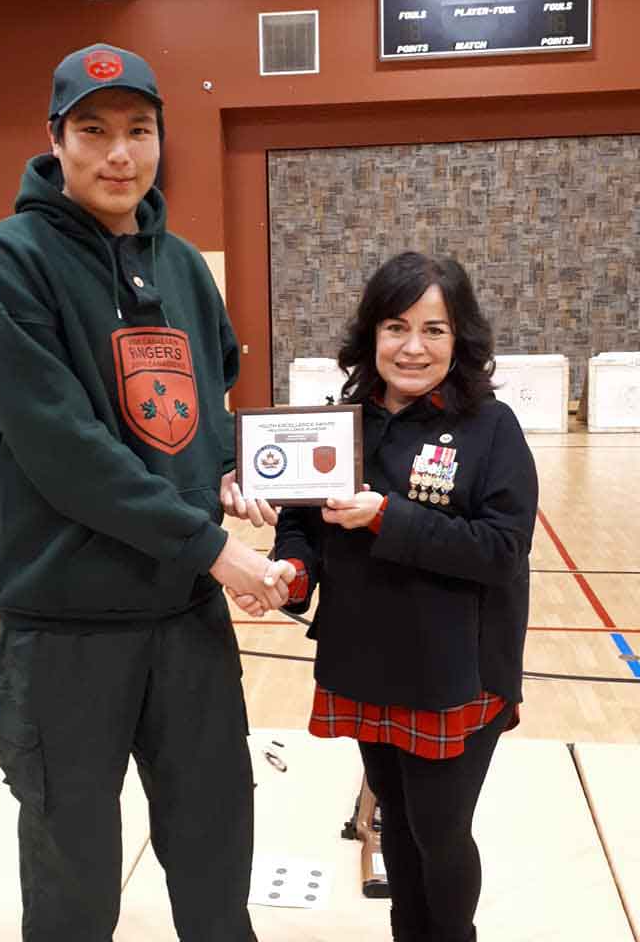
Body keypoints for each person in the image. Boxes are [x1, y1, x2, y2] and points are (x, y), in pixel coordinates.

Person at [0, 43, 293, 942]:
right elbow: (64, 450)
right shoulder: (8, 259)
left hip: (183, 621)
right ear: (55, 139)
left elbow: (204, 399)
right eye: (94, 131)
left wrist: (232, 469)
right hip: (67, 629)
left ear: (160, 137)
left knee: (216, 849)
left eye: (138, 130)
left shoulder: (182, 263)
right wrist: (215, 548)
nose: (119, 154)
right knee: (74, 878)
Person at [272, 252, 538, 942]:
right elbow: (302, 525)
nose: (413, 346)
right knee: (394, 819)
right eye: (396, 326)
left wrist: (390, 518)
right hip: (366, 662)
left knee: (440, 832)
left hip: (457, 675)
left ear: (462, 340)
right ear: (371, 335)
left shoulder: (492, 428)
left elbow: (502, 550)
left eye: (435, 329)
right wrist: (292, 574)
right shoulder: (341, 422)